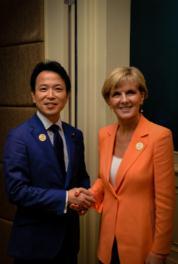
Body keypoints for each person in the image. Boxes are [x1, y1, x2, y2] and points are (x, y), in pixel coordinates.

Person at [3, 60, 94, 264]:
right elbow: (16, 191)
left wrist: (83, 196)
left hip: (68, 242)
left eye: (58, 89)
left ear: (67, 95)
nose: (51, 95)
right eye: (43, 89)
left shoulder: (74, 135)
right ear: (33, 96)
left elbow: (81, 177)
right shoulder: (19, 136)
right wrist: (65, 198)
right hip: (34, 245)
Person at [90, 66, 175, 264]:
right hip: (108, 240)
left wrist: (160, 251)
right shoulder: (105, 134)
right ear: (109, 101)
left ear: (142, 96)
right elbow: (107, 181)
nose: (124, 100)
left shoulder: (159, 136)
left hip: (141, 244)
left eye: (130, 92)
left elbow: (166, 203)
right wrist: (88, 195)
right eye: (116, 94)